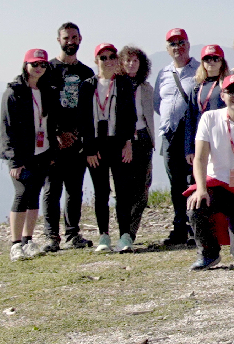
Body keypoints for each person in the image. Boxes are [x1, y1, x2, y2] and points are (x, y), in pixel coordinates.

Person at [186, 73, 234, 269]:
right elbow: (200, 158)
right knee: (196, 204)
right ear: (222, 95)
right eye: (231, 92)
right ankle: (208, 253)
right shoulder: (209, 118)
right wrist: (201, 189)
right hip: (218, 186)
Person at [0, 49, 59, 261]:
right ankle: (15, 245)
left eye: (43, 64)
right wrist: (14, 161)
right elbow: (7, 128)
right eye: (35, 64)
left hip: (42, 152)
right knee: (21, 194)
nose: (39, 68)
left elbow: (51, 124)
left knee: (34, 195)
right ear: (26, 65)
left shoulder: (47, 90)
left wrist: (52, 152)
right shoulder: (13, 92)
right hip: (22, 155)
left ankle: (28, 240)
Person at [40, 22, 94, 251]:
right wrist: (57, 134)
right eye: (66, 38)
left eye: (74, 37)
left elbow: (91, 110)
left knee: (74, 190)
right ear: (58, 40)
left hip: (77, 142)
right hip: (53, 143)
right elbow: (41, 107)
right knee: (52, 189)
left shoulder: (87, 73)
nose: (70, 41)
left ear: (80, 39)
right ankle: (51, 236)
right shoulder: (47, 70)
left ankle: (73, 234)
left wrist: (76, 134)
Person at [80, 43, 138, 253]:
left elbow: (131, 115)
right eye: (103, 57)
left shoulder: (123, 83)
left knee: (122, 191)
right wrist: (88, 149)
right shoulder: (87, 86)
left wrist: (128, 143)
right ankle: (103, 235)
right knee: (101, 191)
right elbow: (83, 119)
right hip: (96, 145)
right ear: (96, 61)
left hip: (118, 142)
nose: (108, 61)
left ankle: (125, 235)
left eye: (112, 56)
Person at [154, 28, 199, 245]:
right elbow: (157, 103)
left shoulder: (199, 70)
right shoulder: (163, 73)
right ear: (167, 48)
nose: (177, 47)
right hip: (169, 134)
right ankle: (179, 226)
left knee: (193, 180)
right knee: (176, 184)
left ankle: (195, 227)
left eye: (181, 42)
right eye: (173, 44)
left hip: (191, 134)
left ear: (188, 45)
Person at [119, 46, 155, 242]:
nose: (131, 64)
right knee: (123, 188)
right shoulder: (116, 85)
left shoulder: (146, 88)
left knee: (142, 188)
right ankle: (123, 231)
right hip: (122, 139)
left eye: (135, 61)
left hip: (143, 139)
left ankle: (131, 232)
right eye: (128, 61)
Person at [184, 44, 228, 166]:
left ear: (222, 62)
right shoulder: (197, 87)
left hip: (222, 137)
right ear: (202, 62)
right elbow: (190, 119)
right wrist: (189, 149)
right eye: (207, 58)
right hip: (201, 137)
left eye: (215, 58)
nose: (211, 62)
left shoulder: (227, 85)